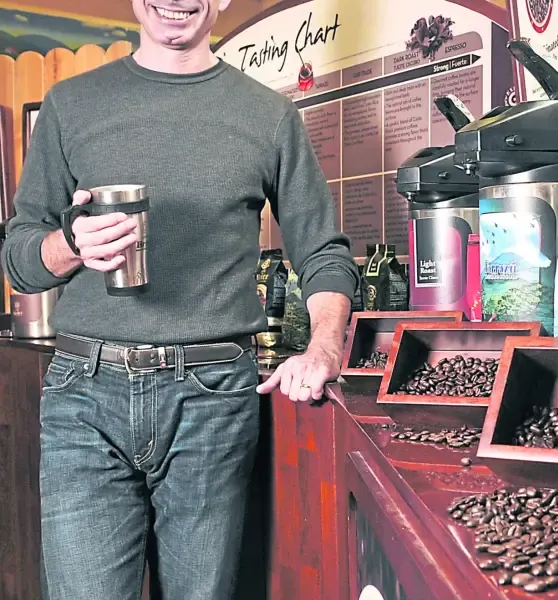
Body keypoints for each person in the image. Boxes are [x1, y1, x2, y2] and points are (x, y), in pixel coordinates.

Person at [1, 0, 357, 598]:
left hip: (213, 398)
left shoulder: (269, 115)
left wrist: (324, 347)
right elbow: (19, 260)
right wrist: (71, 244)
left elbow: (322, 250)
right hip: (84, 394)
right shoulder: (70, 103)